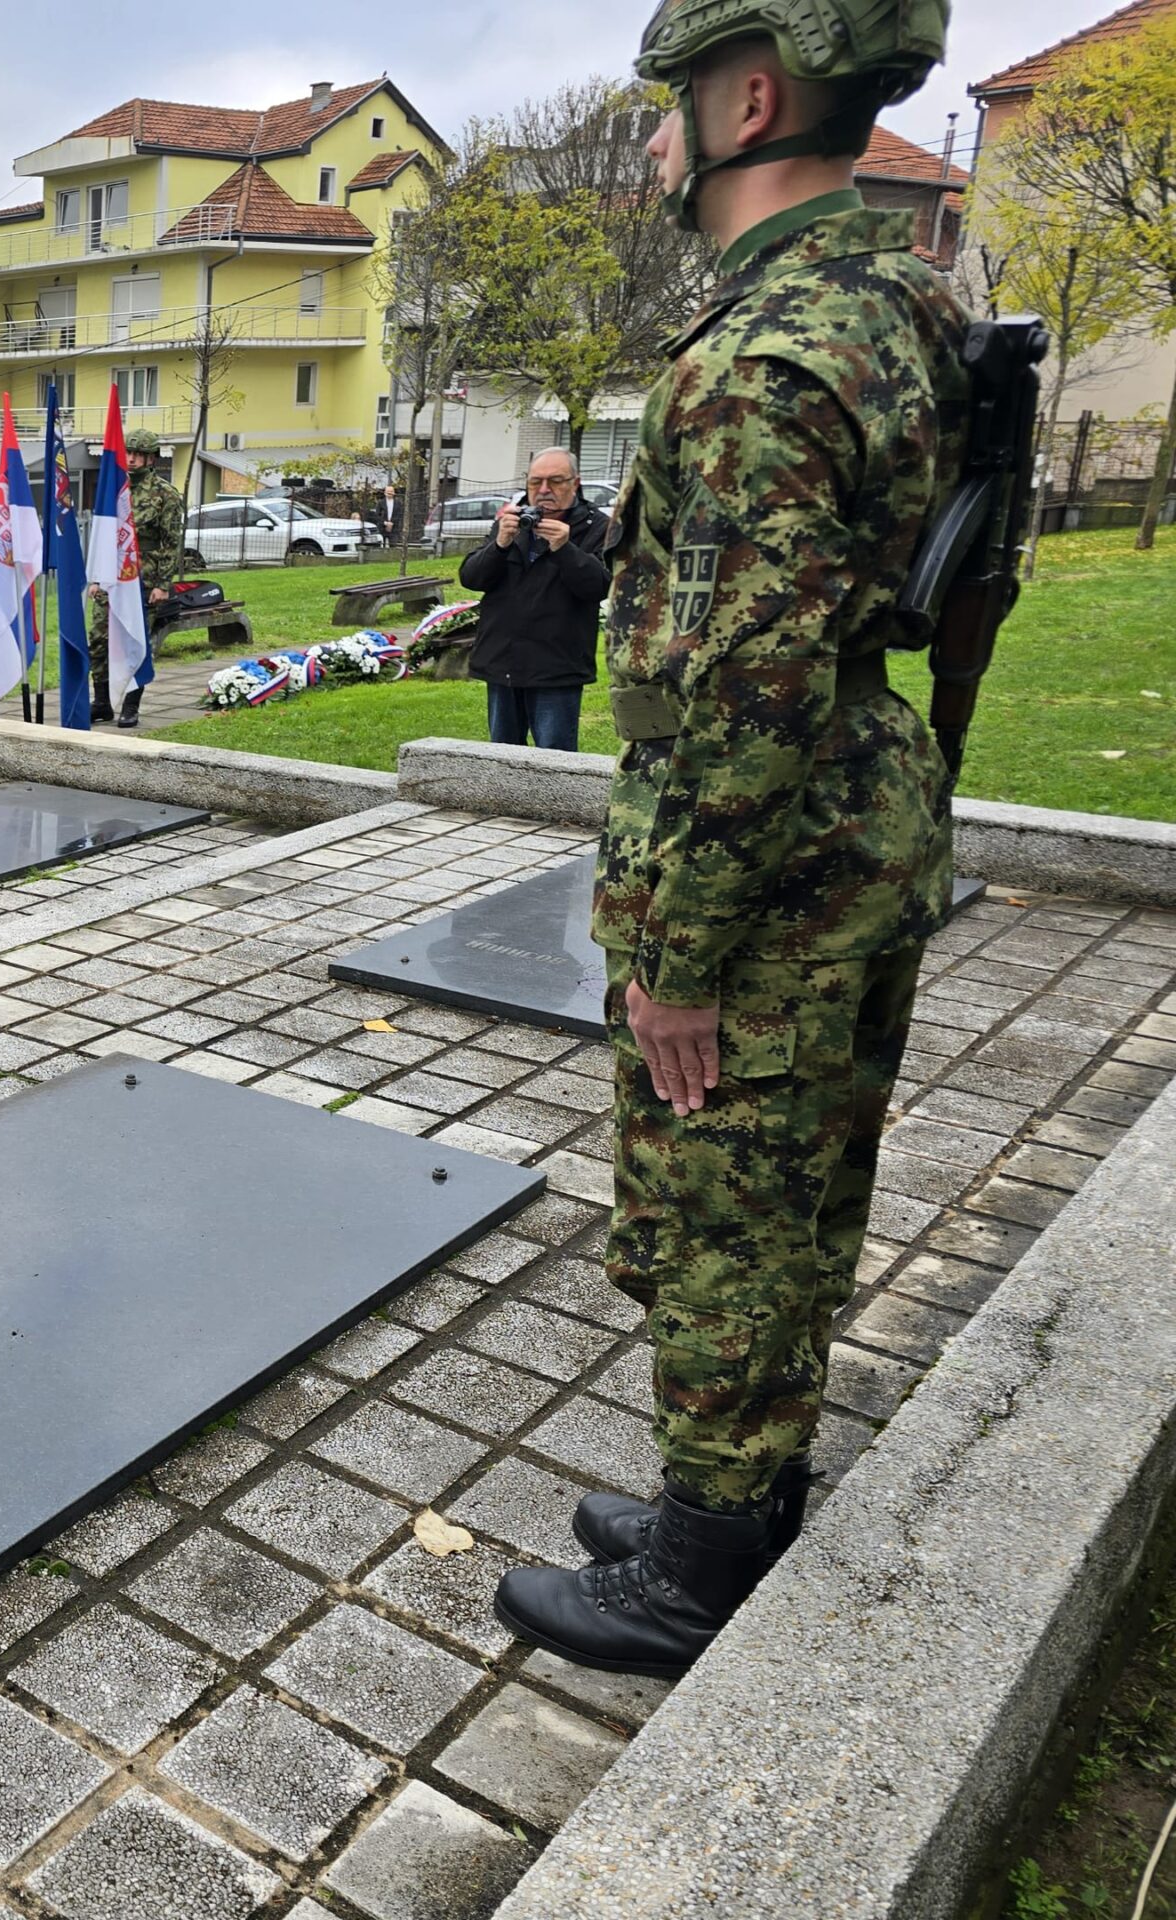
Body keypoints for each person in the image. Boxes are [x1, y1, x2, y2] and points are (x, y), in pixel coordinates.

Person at [491, 0, 967, 1679]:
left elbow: (745, 697)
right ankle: (737, 1496)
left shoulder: (765, 362)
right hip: (859, 832)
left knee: (722, 1211)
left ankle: (699, 1571)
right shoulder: (897, 292)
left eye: (669, 105)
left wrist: (679, 965)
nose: (651, 140)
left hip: (769, 875)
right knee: (795, 1192)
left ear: (751, 97)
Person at [456, 449, 609, 752]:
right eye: (535, 482)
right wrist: (500, 545)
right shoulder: (512, 521)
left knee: (555, 763)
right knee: (503, 757)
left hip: (557, 666)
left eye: (555, 481)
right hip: (503, 662)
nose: (543, 491)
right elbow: (472, 578)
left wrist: (565, 549)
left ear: (575, 483)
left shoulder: (596, 526)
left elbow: (599, 587)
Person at [87, 429, 185, 727]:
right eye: (127, 452)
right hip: (111, 575)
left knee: (134, 639)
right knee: (99, 638)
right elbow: (102, 534)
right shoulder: (113, 489)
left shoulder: (164, 494)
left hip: (144, 578)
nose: (131, 459)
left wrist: (162, 585)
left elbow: (171, 541)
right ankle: (102, 702)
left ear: (151, 457)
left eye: (138, 454)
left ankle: (131, 705)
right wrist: (95, 577)